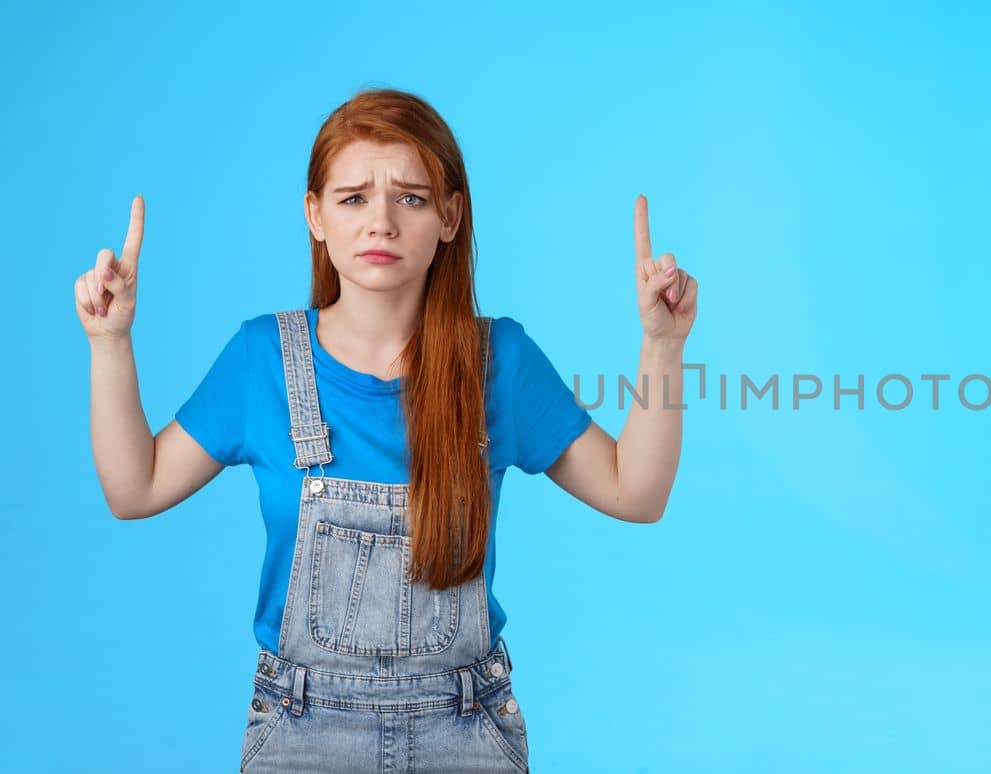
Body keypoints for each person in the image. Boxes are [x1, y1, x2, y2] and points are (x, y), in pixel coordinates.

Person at [75, 88, 699, 772]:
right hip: (300, 734)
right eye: (352, 199)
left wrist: (662, 345)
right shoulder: (262, 360)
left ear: (450, 217)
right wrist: (110, 343)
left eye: (410, 197)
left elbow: (636, 495)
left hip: (467, 734)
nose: (381, 223)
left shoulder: (500, 362)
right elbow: (133, 491)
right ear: (314, 216)